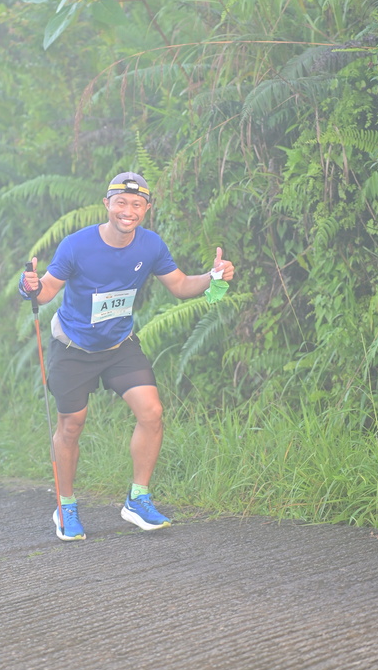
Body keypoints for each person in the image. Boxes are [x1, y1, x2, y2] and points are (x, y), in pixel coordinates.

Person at [19, 171, 235, 541]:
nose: (128, 211)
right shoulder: (76, 245)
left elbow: (181, 285)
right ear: (107, 204)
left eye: (137, 204)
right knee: (71, 425)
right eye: (121, 202)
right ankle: (66, 505)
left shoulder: (150, 246)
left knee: (152, 412)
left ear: (146, 209)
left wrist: (213, 277)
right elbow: (46, 291)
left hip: (119, 346)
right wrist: (31, 287)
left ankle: (138, 499)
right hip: (73, 347)